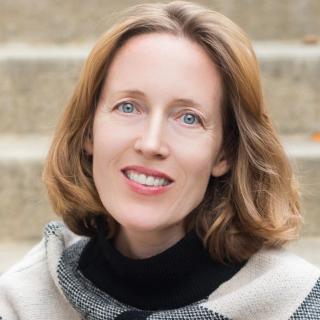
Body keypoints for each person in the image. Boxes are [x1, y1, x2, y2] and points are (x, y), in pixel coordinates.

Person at [1, 1, 319, 319]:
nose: (151, 143)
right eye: (128, 107)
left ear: (225, 153)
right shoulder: (25, 297)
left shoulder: (296, 303)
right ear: (88, 132)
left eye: (189, 118)